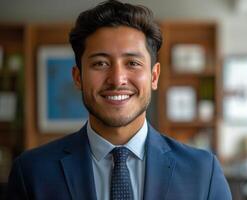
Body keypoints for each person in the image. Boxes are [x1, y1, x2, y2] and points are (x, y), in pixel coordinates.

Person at [6, 0, 232, 199]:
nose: (117, 79)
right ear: (78, 77)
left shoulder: (203, 172)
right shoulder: (32, 173)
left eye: (132, 63)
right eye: (100, 63)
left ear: (154, 76)